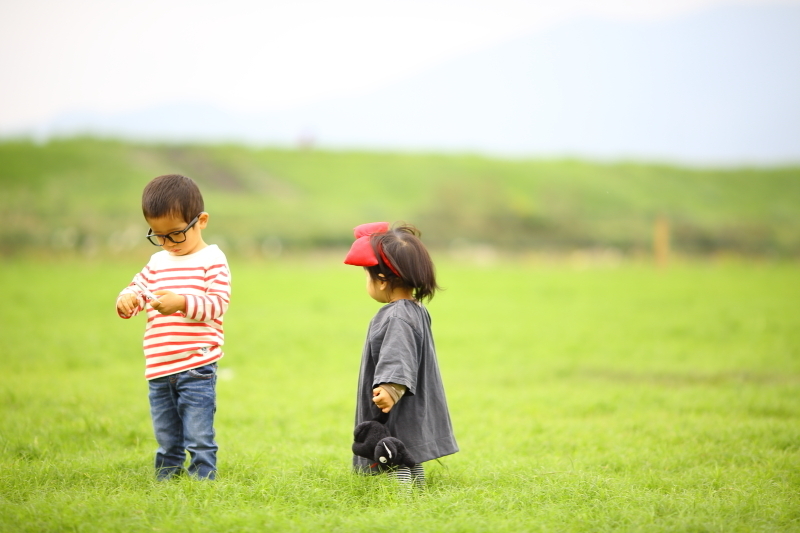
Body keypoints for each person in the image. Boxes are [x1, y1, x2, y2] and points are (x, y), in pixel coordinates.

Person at [115, 174, 231, 480]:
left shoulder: (212, 260)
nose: (168, 243)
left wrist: (181, 302)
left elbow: (218, 304)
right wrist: (126, 300)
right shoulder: (157, 262)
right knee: (166, 436)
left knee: (198, 436)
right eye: (159, 235)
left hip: (196, 364)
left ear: (201, 220)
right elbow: (137, 290)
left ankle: (203, 482)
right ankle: (166, 480)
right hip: (158, 367)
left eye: (176, 234)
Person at [344, 222, 458, 489]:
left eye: (367, 276)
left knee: (392, 450)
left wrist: (390, 388)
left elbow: (399, 355)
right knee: (406, 449)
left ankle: (402, 496)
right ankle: (416, 490)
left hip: (395, 401)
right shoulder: (415, 310)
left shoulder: (396, 316)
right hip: (410, 399)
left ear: (382, 280)